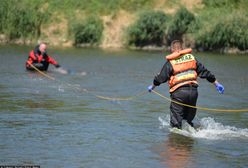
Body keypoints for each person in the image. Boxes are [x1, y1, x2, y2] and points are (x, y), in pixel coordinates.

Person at [148, 40, 224, 129]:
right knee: (187, 122)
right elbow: (205, 72)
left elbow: (161, 77)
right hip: (193, 93)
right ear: (182, 48)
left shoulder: (171, 62)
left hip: (179, 94)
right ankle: (189, 139)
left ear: (172, 49)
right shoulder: (191, 58)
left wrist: (152, 86)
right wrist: (217, 83)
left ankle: (177, 141)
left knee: (176, 126)